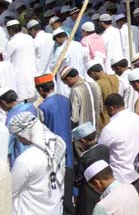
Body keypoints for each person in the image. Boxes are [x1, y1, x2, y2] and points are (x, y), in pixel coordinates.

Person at [9, 110, 66, 215]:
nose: (18, 139)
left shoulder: (25, 160)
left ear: (24, 133)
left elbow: (10, 190)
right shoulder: (56, 146)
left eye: (17, 135)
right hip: (53, 209)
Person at [35, 73, 73, 212]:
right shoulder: (65, 100)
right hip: (69, 153)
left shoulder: (42, 108)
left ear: (40, 90)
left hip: (53, 157)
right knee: (68, 197)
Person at [97, 93, 139, 192]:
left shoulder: (110, 128)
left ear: (112, 108)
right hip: (136, 173)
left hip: (121, 179)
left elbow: (100, 150)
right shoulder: (136, 118)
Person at [72, 122, 110, 215]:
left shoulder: (84, 158)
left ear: (83, 141)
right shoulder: (104, 148)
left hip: (87, 198)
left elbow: (77, 180)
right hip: (103, 192)